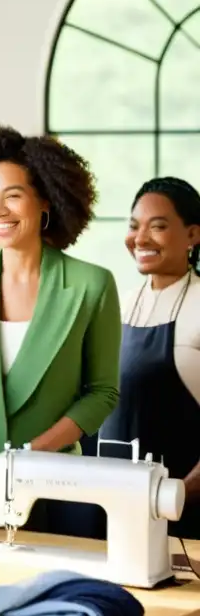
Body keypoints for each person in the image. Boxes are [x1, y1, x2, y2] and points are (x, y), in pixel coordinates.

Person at [0, 125, 120, 535]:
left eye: (12, 196)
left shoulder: (91, 285)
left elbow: (102, 392)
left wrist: (39, 453)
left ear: (46, 199)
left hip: (58, 482)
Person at [99, 177, 200, 540]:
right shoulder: (121, 304)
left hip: (183, 516)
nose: (140, 239)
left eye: (157, 226)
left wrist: (177, 496)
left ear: (192, 235)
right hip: (113, 509)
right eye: (134, 226)